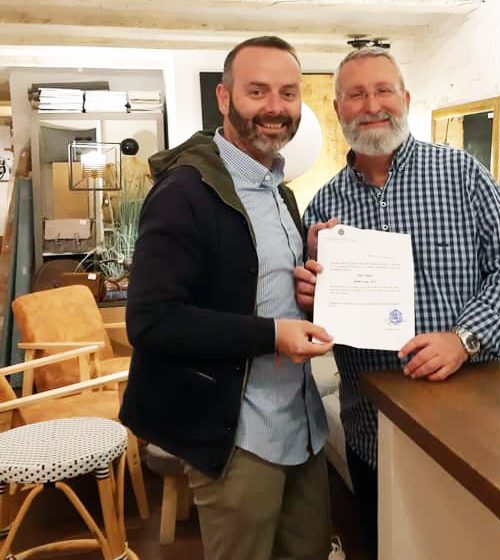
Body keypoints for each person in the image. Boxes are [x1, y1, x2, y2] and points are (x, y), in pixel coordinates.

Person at [294, 47, 500, 558]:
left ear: (405, 99)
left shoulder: (461, 174)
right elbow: (315, 321)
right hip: (373, 429)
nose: (372, 105)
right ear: (338, 109)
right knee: (389, 546)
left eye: (383, 90)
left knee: (477, 548)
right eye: (356, 95)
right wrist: (312, 297)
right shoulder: (323, 207)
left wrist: (465, 338)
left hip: (473, 422)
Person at [120, 36, 335, 560]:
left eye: (288, 93)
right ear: (224, 97)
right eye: (257, 91)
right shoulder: (184, 192)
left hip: (302, 425)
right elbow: (151, 321)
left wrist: (307, 270)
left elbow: (257, 289)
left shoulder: (280, 191)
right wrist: (273, 335)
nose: (275, 107)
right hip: (238, 435)